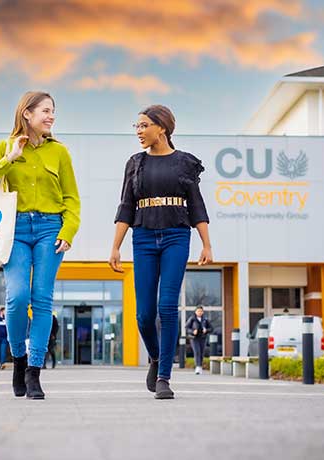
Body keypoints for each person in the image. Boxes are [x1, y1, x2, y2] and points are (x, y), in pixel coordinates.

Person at [0, 91, 80, 400]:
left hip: (50, 229)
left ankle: (34, 372)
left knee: (42, 300)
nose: (51, 116)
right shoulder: (4, 147)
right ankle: (18, 359)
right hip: (15, 229)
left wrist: (69, 230)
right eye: (45, 111)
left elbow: (72, 198)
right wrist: (9, 159)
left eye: (53, 112)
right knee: (18, 297)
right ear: (27, 114)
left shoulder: (59, 153)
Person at [109, 104, 212, 399]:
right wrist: (115, 246)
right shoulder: (135, 163)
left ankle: (164, 377)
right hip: (142, 238)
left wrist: (206, 243)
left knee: (167, 307)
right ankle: (155, 357)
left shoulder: (184, 163)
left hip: (176, 237)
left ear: (162, 128)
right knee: (144, 315)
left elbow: (196, 206)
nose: (139, 132)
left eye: (143, 125)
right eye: (136, 127)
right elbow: (126, 206)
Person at [186, 306, 212, 374]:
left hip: (203, 338)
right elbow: (187, 328)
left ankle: (200, 366)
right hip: (194, 338)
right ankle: (197, 367)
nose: (199, 312)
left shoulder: (205, 319)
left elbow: (211, 328)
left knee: (201, 352)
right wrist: (192, 331)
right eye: (198, 311)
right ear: (195, 312)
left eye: (201, 311)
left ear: (202, 312)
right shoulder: (192, 319)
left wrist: (206, 330)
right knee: (197, 351)